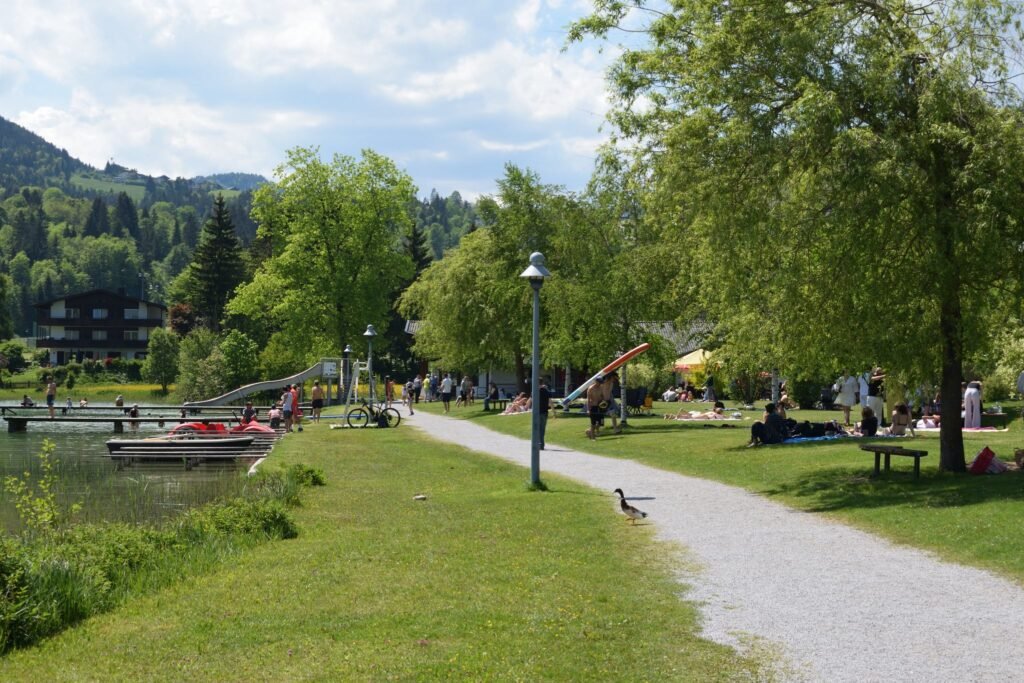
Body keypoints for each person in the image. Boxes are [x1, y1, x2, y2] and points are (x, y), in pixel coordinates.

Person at [586, 376, 606, 440]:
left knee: (601, 422)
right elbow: (588, 400)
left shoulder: (601, 388)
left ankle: (589, 431)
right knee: (593, 423)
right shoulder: (591, 388)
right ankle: (593, 437)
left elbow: (602, 396)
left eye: (601, 382)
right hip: (593, 407)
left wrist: (603, 402)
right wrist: (588, 410)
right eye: (599, 382)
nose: (600, 384)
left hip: (600, 407)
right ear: (596, 381)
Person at [538, 377, 552, 449]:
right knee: (542, 429)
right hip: (545, 412)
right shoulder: (546, 391)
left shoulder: (535, 390)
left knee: (537, 429)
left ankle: (539, 444)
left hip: (537, 412)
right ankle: (541, 444)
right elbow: (550, 401)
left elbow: (531, 401)